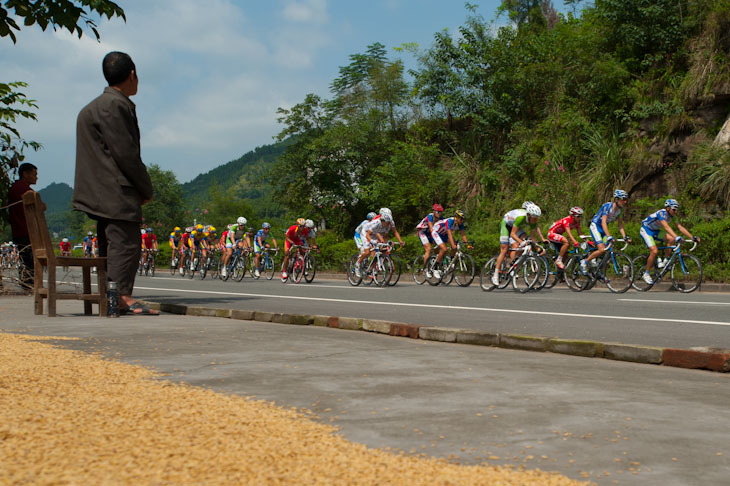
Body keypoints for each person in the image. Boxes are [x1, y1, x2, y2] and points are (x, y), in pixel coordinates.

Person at [72, 51, 157, 315]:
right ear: (133, 74)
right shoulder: (115, 105)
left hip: (98, 189)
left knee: (111, 244)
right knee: (125, 243)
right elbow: (126, 153)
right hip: (115, 190)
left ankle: (111, 296)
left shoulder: (92, 107)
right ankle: (120, 297)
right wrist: (145, 188)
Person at [639, 199, 700, 285]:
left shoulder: (673, 216)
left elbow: (680, 227)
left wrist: (692, 237)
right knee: (654, 251)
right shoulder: (661, 213)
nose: (675, 211)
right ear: (668, 208)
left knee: (671, 239)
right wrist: (677, 237)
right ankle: (646, 273)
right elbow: (666, 227)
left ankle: (665, 261)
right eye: (674, 209)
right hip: (646, 230)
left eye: (676, 209)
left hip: (656, 231)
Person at [8, 162, 41, 290]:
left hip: (19, 229)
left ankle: (27, 282)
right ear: (25, 174)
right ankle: (29, 283)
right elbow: (40, 205)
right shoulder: (23, 189)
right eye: (34, 174)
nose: (36, 177)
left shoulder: (16, 188)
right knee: (28, 259)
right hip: (26, 229)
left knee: (25, 258)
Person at [581, 189, 631, 275]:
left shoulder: (620, 210)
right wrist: (608, 236)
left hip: (603, 228)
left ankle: (601, 273)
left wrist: (624, 236)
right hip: (596, 226)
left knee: (610, 249)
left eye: (626, 199)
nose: (625, 202)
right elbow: (603, 222)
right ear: (616, 199)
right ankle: (585, 262)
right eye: (623, 199)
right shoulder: (607, 206)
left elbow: (620, 225)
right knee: (601, 249)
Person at [493, 203, 543, 286]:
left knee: (526, 243)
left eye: (537, 218)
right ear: (529, 215)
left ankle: (514, 262)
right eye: (534, 218)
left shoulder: (533, 220)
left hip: (517, 226)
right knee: (504, 249)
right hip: (506, 225)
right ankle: (495, 275)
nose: (536, 220)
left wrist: (538, 248)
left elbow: (533, 237)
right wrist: (520, 242)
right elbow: (512, 234)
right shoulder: (520, 218)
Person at [355, 208, 405, 277]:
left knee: (381, 249)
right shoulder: (377, 222)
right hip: (366, 233)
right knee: (367, 251)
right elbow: (368, 234)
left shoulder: (390, 222)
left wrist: (399, 241)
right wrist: (372, 241)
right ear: (383, 220)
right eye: (387, 223)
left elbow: (391, 233)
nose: (389, 225)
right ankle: (357, 264)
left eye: (389, 223)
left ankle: (373, 268)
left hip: (375, 233)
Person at [430, 210, 468, 280]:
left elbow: (463, 234)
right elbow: (449, 234)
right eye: (461, 219)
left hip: (444, 234)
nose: (462, 221)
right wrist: (453, 244)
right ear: (456, 217)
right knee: (444, 249)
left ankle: (451, 261)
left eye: (463, 219)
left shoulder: (460, 224)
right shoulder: (450, 221)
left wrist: (467, 244)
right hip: (436, 232)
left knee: (455, 246)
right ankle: (435, 268)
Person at [416, 204, 444, 276]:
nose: (439, 214)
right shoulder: (430, 217)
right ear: (433, 212)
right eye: (438, 212)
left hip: (431, 233)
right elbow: (432, 229)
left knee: (438, 247)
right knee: (428, 249)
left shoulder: (441, 218)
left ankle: (434, 261)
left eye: (441, 212)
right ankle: (425, 269)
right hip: (423, 232)